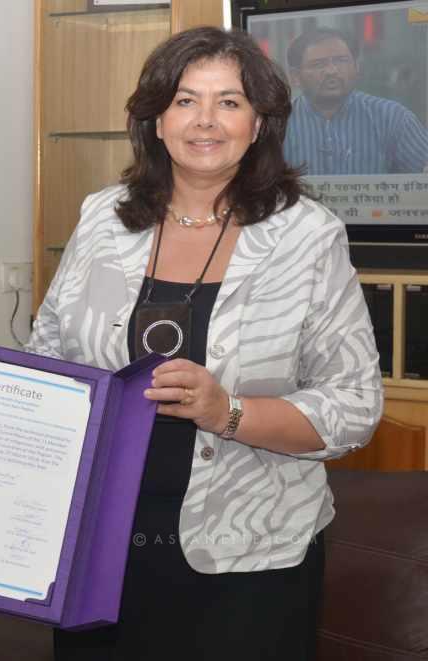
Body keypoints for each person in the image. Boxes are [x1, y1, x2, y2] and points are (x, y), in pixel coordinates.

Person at [26, 27, 383, 661]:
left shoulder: (308, 236)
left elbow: (354, 405)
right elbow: (50, 358)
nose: (205, 121)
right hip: (98, 544)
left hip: (252, 563)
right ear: (155, 120)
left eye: (230, 101)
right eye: (185, 100)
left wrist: (228, 412)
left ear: (259, 123)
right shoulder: (101, 220)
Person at [283, 27, 428, 175]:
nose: (332, 71)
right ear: (295, 76)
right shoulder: (278, 125)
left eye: (341, 61)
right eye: (319, 64)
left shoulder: (393, 119)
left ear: (356, 67)